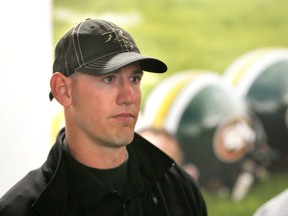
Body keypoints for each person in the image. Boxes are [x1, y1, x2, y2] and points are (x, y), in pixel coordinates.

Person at [0, 18, 207, 216]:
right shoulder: (20, 210)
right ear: (63, 90)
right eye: (109, 79)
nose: (129, 96)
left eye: (134, 79)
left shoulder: (178, 188)